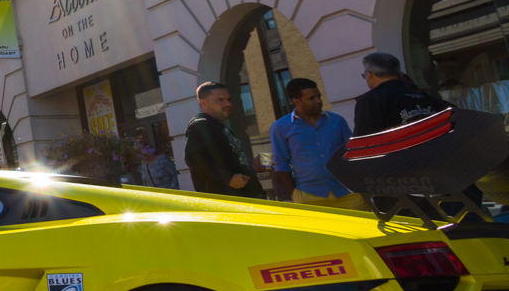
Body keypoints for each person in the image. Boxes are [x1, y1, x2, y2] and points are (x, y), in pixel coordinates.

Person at [354, 52, 488, 212]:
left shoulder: (371, 100)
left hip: (405, 189)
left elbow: (364, 147)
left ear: (369, 75)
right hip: (446, 179)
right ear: (399, 73)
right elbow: (463, 122)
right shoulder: (424, 97)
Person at [270, 77, 365, 207]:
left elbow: (353, 153)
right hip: (309, 197)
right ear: (296, 101)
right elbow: (280, 163)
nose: (318, 101)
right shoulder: (281, 127)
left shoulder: (337, 121)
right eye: (312, 98)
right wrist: (295, 193)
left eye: (318, 96)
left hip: (348, 193)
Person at [183, 82, 264, 198]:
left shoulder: (220, 127)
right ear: (203, 103)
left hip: (247, 199)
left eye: (228, 99)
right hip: (230, 204)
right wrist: (228, 179)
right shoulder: (201, 125)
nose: (227, 104)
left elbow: (227, 164)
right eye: (220, 100)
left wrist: (251, 166)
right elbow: (193, 158)